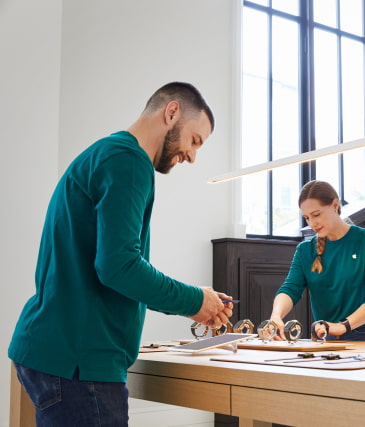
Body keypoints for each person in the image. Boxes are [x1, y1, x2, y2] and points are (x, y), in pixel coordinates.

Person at [8, 82, 234, 426]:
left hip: (53, 350)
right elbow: (120, 266)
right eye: (195, 140)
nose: (192, 156)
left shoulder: (107, 154)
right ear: (171, 112)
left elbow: (116, 264)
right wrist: (194, 300)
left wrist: (195, 304)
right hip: (81, 364)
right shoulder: (129, 162)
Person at [269, 180, 365, 341]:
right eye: (306, 218)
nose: (312, 223)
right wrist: (276, 315)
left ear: (335, 205)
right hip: (326, 336)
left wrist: (343, 326)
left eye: (316, 214)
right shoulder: (305, 250)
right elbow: (290, 289)